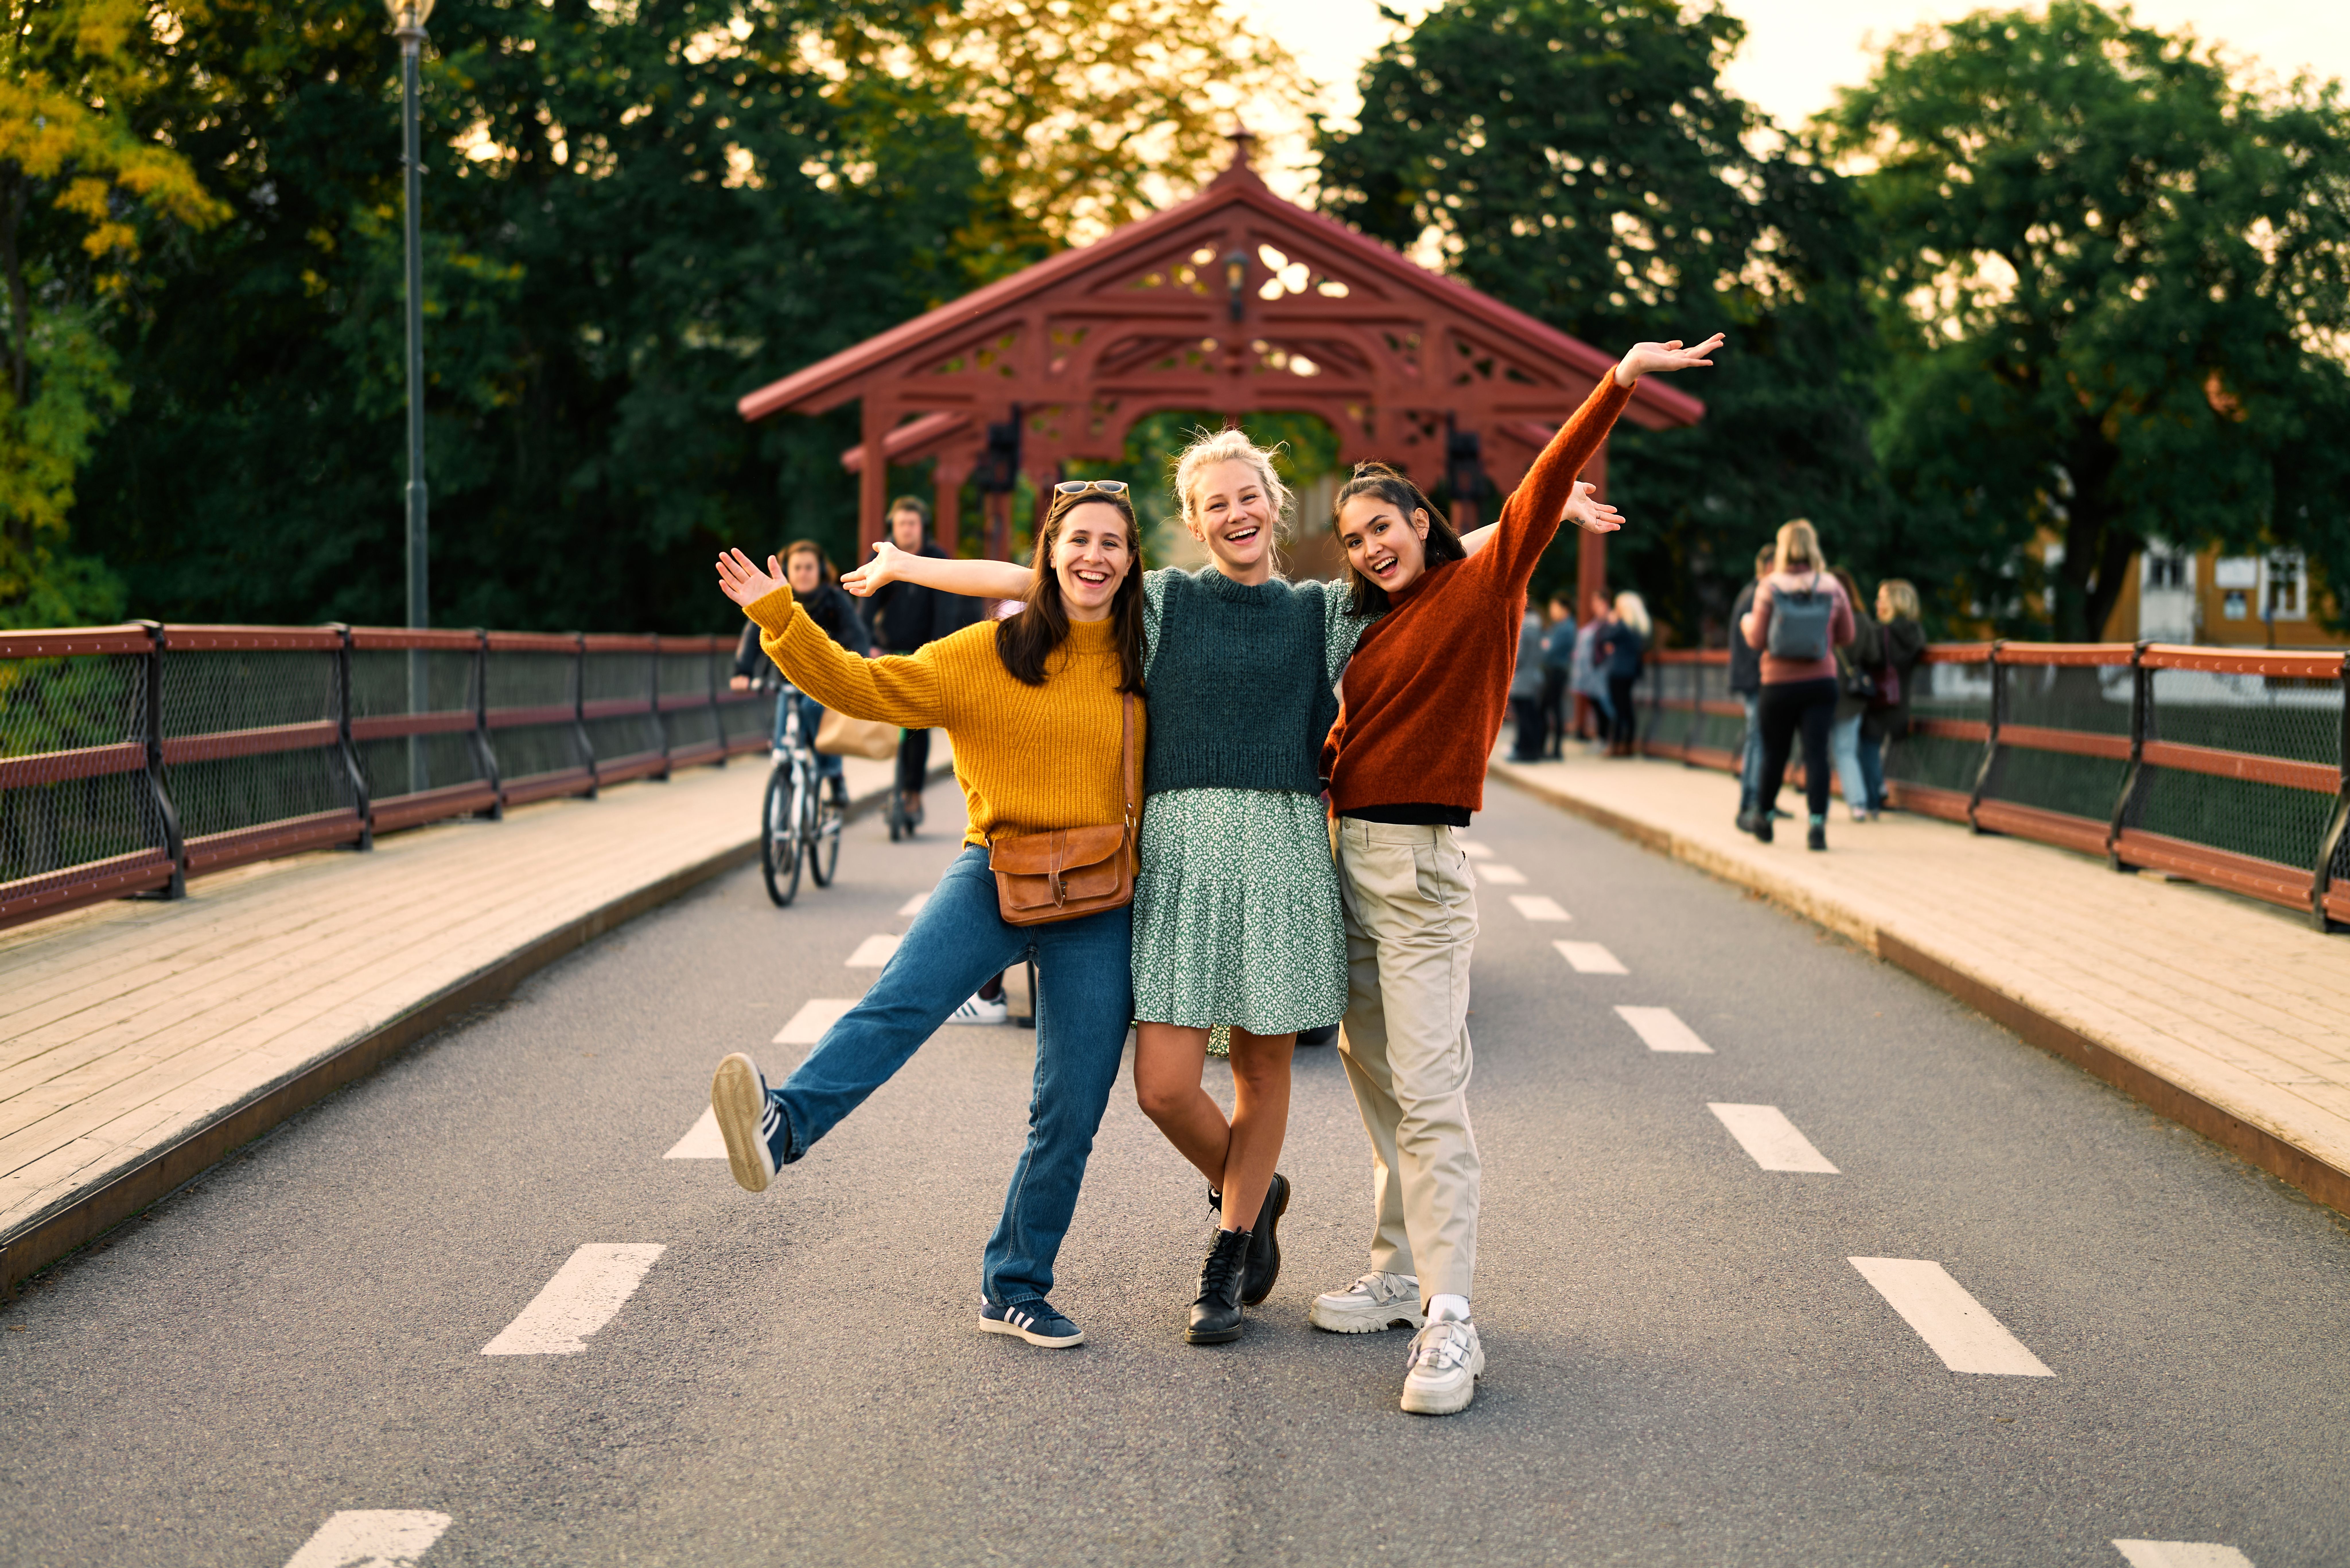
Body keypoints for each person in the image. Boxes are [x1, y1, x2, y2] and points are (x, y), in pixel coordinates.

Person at [851, 458, 1621, 1350]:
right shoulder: (1167, 600)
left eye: (1248, 496)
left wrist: (1546, 512)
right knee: (1164, 1084)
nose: (1236, 513)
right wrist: (909, 568)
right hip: (1178, 861)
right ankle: (1251, 1187)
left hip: (1286, 857)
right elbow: (1037, 578)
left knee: (1262, 1070)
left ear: (1273, 507)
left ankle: (1227, 1252)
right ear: (1194, 520)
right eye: (1215, 503)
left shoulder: (1320, 612)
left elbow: (1449, 561)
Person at [1314, 333, 1721, 1416]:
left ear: (1420, 523)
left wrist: (1618, 382)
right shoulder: (1362, 620)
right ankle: (1399, 1272)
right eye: (1352, 539)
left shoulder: (1481, 585)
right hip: (1343, 860)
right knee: (1374, 1077)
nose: (1367, 549)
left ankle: (1451, 1322)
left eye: (1382, 528)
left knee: (1432, 1094)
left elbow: (1533, 494)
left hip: (1420, 870)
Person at [704, 485, 1146, 1351]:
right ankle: (782, 1123)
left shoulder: (1149, 653)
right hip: (995, 870)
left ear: (1133, 563)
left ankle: (1015, 1286)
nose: (1095, 556)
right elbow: (863, 686)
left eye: (1113, 545)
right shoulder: (983, 653)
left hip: (1101, 895)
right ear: (1049, 553)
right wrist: (781, 619)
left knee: (1072, 1102)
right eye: (1079, 541)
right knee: (900, 1005)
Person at [862, 496, 983, 831]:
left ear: (922, 527)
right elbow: (867, 604)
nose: (906, 530)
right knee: (888, 726)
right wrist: (867, 642)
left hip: (923, 652)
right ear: (893, 527)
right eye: (900, 524)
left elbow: (944, 610)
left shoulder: (936, 559)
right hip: (888, 650)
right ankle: (896, 789)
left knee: (916, 728)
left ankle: (912, 791)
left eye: (912, 524)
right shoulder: (883, 559)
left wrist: (936, 650)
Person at [1738, 519, 1855, 851]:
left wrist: (1748, 625)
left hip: (1777, 685)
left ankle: (1763, 817)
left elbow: (1758, 639)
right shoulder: (1831, 585)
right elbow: (1847, 636)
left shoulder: (1770, 586)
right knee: (1817, 754)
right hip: (1821, 681)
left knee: (1774, 752)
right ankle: (1816, 826)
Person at [730, 540, 870, 804]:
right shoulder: (779, 599)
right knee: (783, 725)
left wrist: (859, 666)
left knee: (812, 708)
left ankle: (834, 775)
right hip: (787, 679)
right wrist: (742, 671)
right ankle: (783, 765)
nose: (804, 573)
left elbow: (857, 635)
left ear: (820, 570)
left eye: (809, 567)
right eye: (798, 567)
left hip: (826, 681)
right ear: (787, 570)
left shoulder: (834, 600)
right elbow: (753, 634)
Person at [1866, 579, 1928, 813]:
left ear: (1895, 603)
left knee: (1868, 745)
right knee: (1889, 747)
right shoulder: (1916, 634)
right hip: (1900, 702)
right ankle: (1886, 790)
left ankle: (1876, 794)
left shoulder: (1880, 633)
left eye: (1882, 599)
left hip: (1876, 700)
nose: (1877, 604)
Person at [1828, 566, 1883, 822]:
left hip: (1826, 690)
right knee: (1847, 750)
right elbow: (1874, 656)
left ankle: (1819, 806)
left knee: (1820, 751)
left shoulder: (1825, 615)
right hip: (1853, 695)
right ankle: (1859, 803)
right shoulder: (1862, 620)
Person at [1725, 545, 1773, 824]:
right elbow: (1755, 644)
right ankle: (1750, 802)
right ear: (1769, 567)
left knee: (1759, 738)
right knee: (1758, 738)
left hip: (1749, 678)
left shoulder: (1749, 593)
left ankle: (1760, 799)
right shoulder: (1758, 595)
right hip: (1755, 679)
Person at [1595, 590, 1649, 757]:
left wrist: (1611, 622)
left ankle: (1617, 745)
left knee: (1618, 709)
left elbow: (1602, 637)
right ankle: (1628, 745)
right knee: (1627, 709)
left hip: (1618, 672)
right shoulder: (1639, 627)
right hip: (1630, 672)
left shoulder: (1621, 626)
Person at [1571, 593, 1612, 750]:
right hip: (1592, 672)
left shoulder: (1608, 622)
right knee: (1596, 704)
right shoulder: (1596, 623)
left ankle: (1606, 739)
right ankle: (1601, 738)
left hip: (1602, 670)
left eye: (1597, 602)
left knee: (1604, 705)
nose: (1594, 605)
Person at [1508, 603, 1547, 761]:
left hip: (1522, 680)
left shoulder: (1524, 629)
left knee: (1524, 719)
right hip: (1533, 678)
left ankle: (1524, 752)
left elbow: (1519, 657)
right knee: (1531, 716)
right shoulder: (1537, 627)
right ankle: (1533, 750)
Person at [1539, 595, 1575, 759]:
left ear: (1564, 609)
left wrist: (1546, 646)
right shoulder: (1559, 626)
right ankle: (1549, 748)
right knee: (1551, 708)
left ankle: (1555, 750)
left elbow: (1549, 649)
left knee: (1553, 708)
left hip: (1557, 671)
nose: (1552, 611)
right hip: (1553, 670)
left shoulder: (1567, 627)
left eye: (1554, 607)